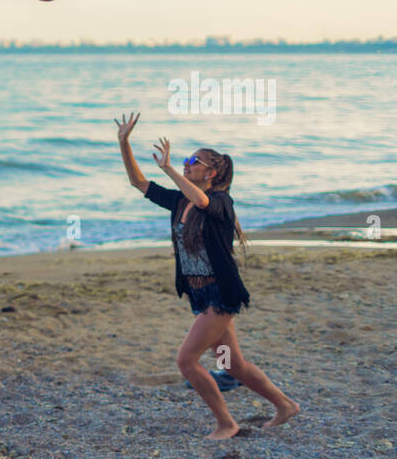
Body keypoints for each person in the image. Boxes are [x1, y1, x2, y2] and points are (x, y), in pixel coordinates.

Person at [115, 111, 299, 439]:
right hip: (200, 296)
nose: (187, 163)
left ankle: (226, 423)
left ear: (211, 172)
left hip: (220, 295)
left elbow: (200, 200)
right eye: (186, 160)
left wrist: (169, 167)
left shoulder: (219, 201)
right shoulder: (177, 202)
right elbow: (138, 183)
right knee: (232, 365)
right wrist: (123, 142)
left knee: (186, 361)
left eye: (193, 161)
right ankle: (285, 405)